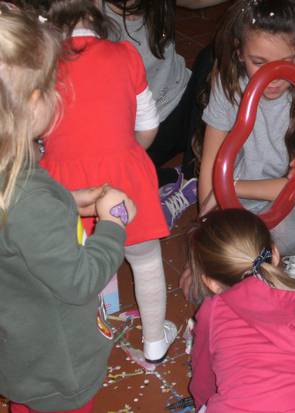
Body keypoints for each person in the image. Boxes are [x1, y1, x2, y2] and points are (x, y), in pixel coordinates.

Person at [0, 4, 137, 412]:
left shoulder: (13, 175)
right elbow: (79, 281)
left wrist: (69, 201)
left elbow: (19, 227)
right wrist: (113, 224)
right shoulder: (28, 200)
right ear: (36, 100)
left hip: (23, 354)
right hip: (58, 370)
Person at [34, 0, 178, 364]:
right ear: (99, 17)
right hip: (124, 176)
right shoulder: (125, 53)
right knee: (145, 258)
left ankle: (86, 338)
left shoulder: (41, 62)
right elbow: (149, 124)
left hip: (63, 181)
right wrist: (129, 151)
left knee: (77, 263)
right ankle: (155, 339)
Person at [197, 0, 295, 287]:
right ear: (239, 52)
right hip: (241, 189)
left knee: (278, 232)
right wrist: (209, 226)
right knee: (227, 249)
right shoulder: (228, 86)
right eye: (259, 63)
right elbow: (211, 161)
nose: (273, 76)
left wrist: (228, 187)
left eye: (285, 63)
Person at [185, 209, 295, 413]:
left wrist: (200, 405)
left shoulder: (214, 310)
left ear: (211, 283)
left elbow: (203, 379)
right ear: (275, 253)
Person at [99, 0, 199, 228]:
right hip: (139, 134)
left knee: (211, 60)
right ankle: (178, 177)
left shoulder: (157, 4)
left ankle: (188, 173)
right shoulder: (91, 17)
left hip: (182, 105)